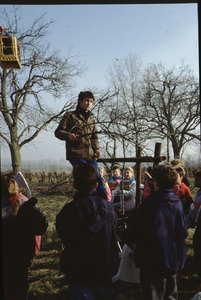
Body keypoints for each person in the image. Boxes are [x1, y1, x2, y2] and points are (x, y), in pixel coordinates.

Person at [121, 165, 188, 300]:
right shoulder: (177, 202)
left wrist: (138, 249)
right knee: (171, 295)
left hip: (154, 263)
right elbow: (184, 232)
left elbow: (131, 234)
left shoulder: (150, 204)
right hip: (175, 260)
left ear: (156, 182)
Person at [56, 163, 119, 300]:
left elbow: (64, 237)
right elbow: (114, 231)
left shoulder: (67, 212)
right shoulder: (110, 208)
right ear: (96, 185)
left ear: (74, 185)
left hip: (77, 266)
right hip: (104, 264)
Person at [1, 172, 48, 300]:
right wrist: (35, 208)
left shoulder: (12, 213)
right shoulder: (25, 211)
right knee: (19, 292)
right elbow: (42, 227)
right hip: (21, 264)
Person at [54, 91, 107, 199]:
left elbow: (94, 138)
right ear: (80, 101)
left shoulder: (91, 120)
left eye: (91, 101)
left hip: (91, 155)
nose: (89, 103)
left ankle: (104, 203)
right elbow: (58, 132)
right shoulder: (70, 116)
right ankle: (85, 202)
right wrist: (69, 136)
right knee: (85, 179)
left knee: (98, 179)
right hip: (76, 154)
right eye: (86, 100)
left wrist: (97, 150)